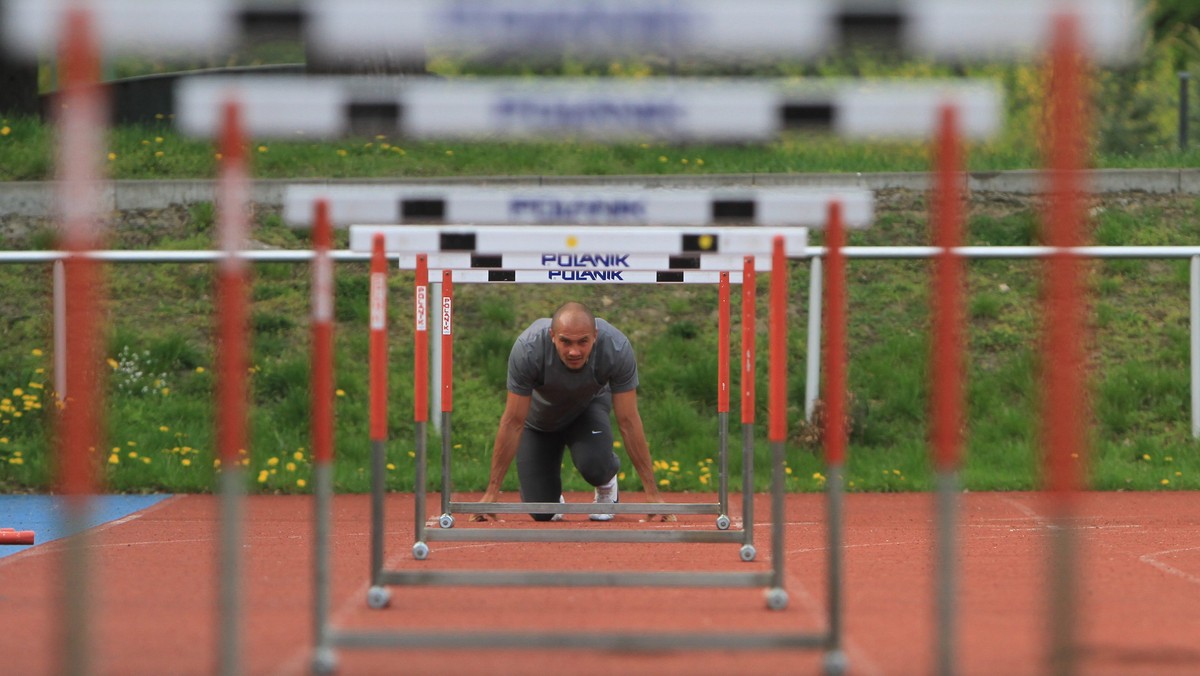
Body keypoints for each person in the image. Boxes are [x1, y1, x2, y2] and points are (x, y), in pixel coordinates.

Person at [474, 301, 671, 522]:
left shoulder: (616, 347)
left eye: (583, 342)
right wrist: (491, 492)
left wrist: (652, 493)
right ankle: (550, 494)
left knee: (594, 465)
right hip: (540, 423)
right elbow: (512, 422)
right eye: (565, 342)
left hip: (587, 411)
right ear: (552, 335)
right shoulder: (528, 349)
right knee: (542, 511)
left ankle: (607, 483)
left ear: (595, 336)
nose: (574, 351)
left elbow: (629, 421)